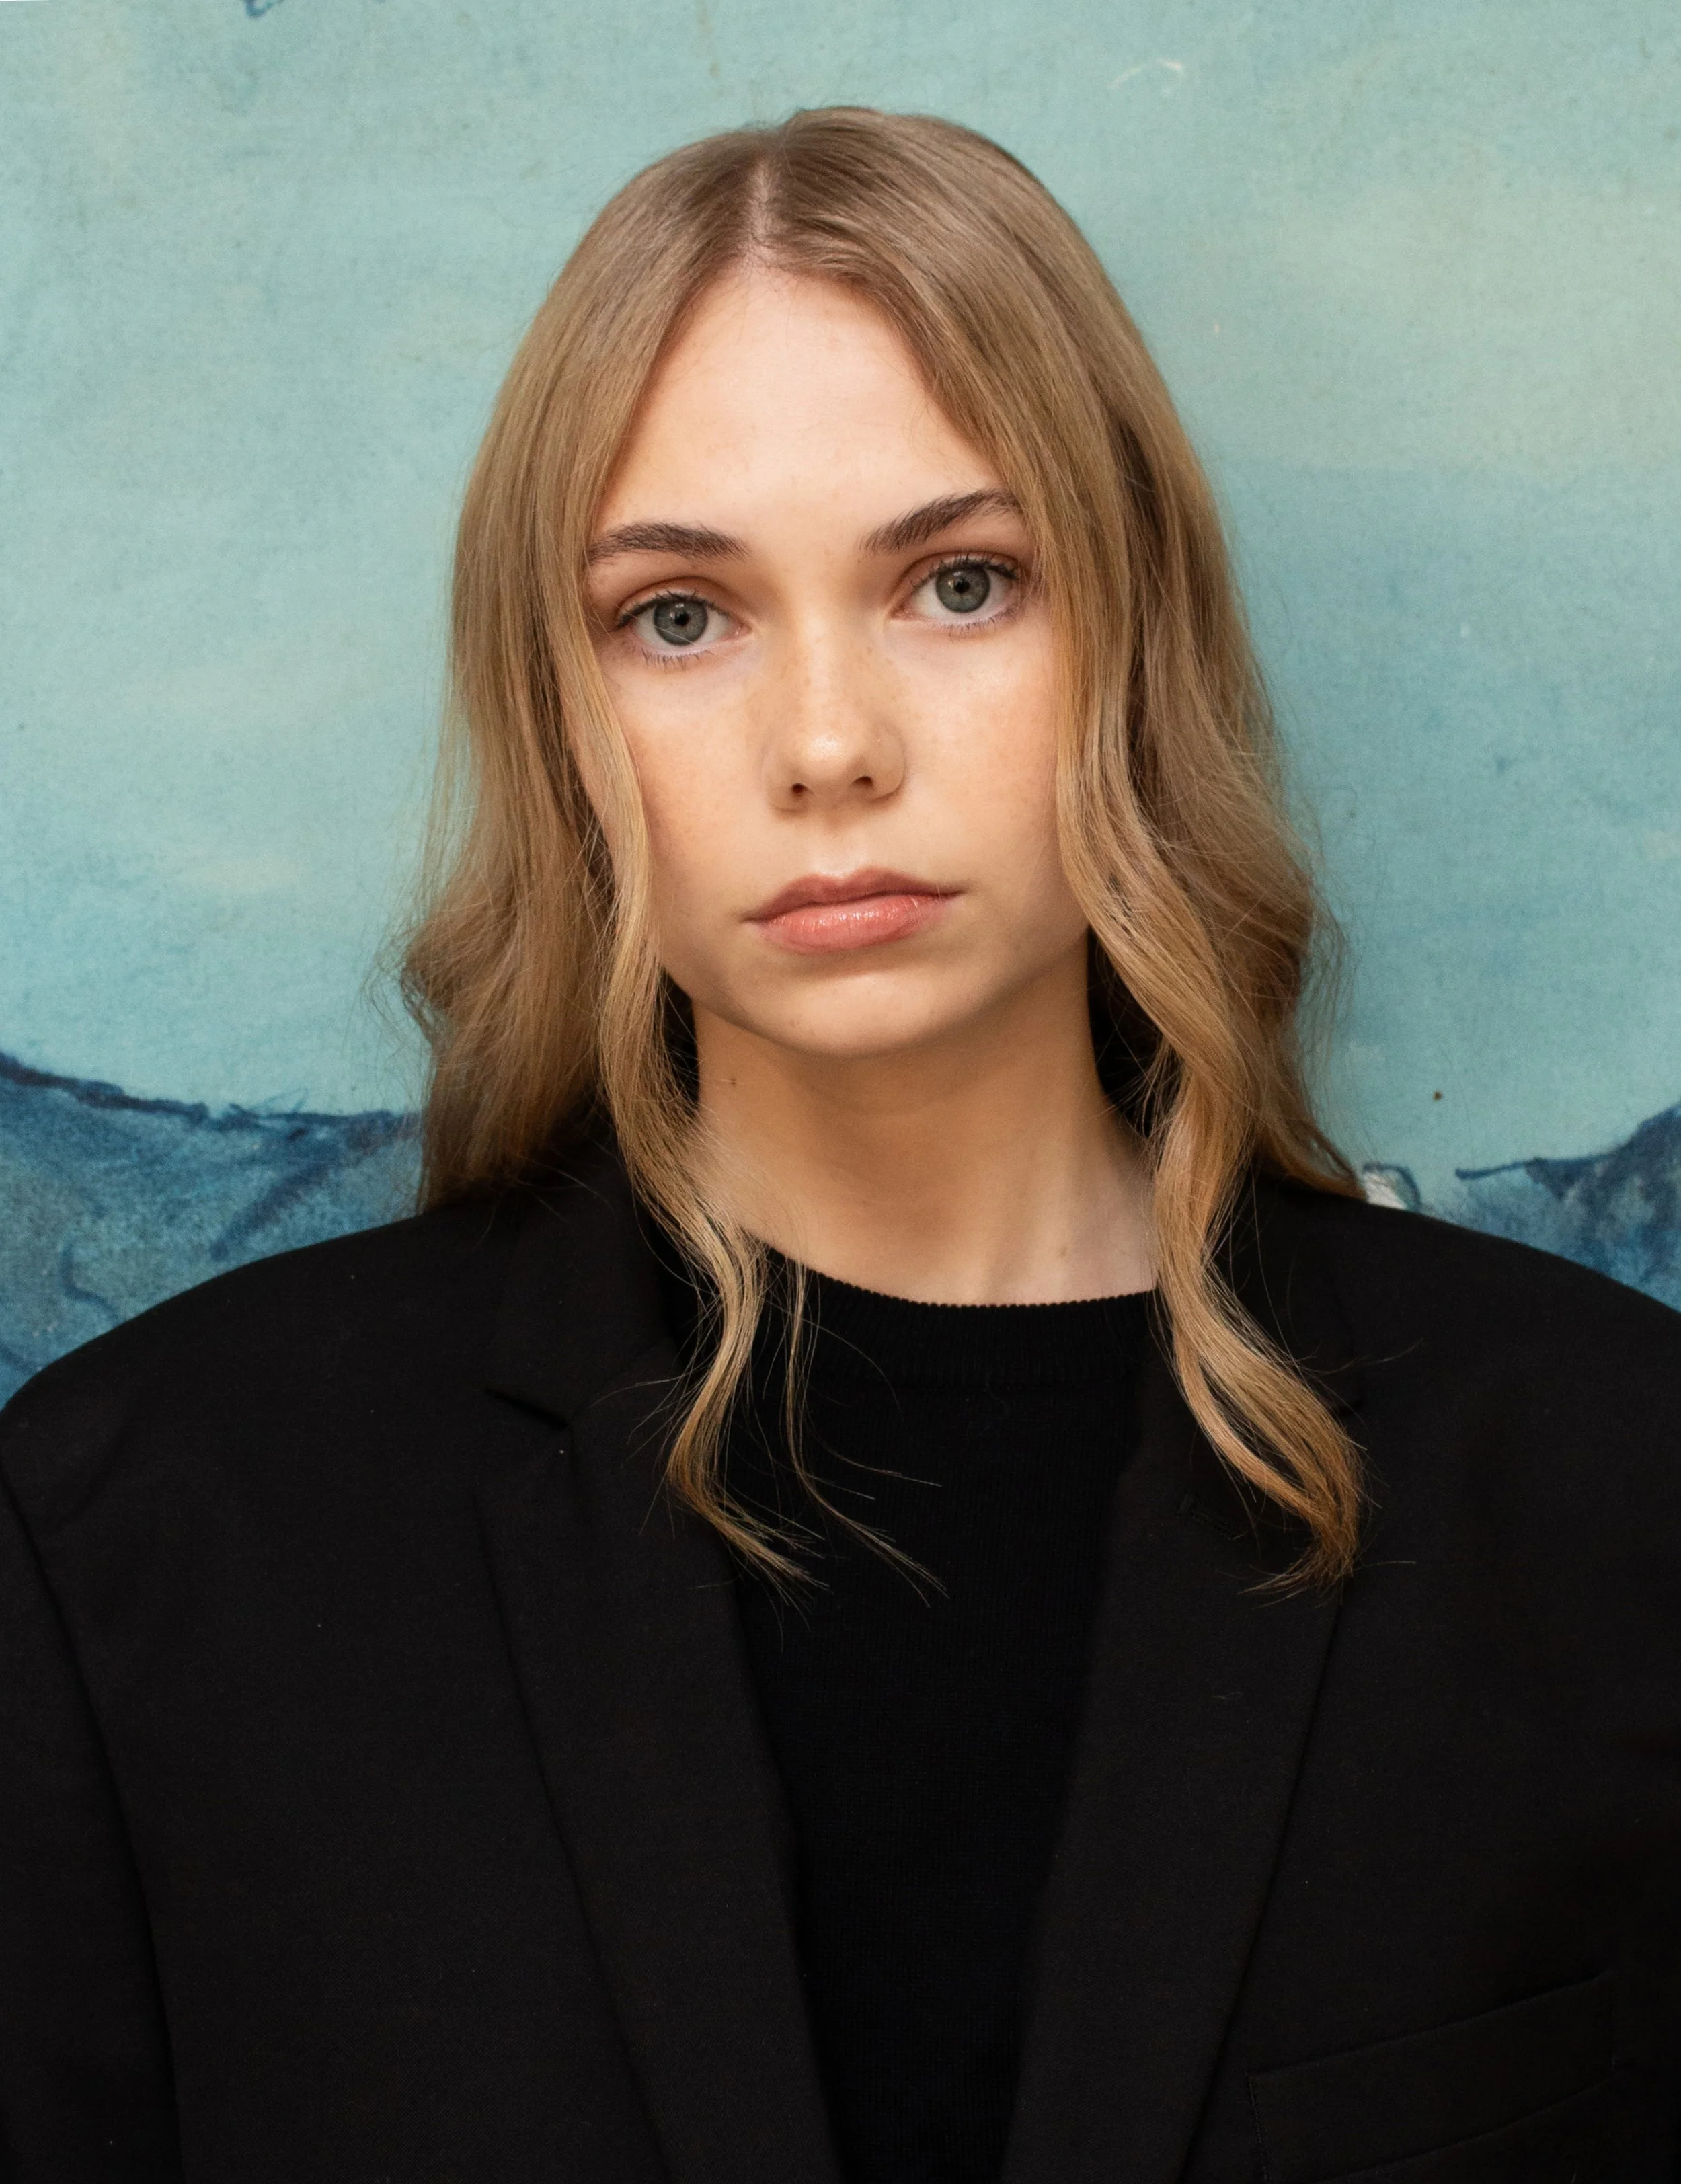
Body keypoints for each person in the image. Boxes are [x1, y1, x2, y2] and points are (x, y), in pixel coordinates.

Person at [1, 106, 1678, 2184]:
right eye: (678, 618)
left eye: (959, 584)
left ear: (1130, 637)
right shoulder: (145, 1530)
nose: (827, 748)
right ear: (558, 708)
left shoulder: (1612, 1485)